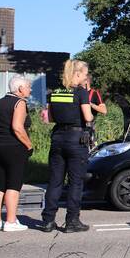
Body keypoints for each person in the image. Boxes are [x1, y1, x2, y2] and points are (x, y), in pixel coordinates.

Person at [38, 59, 94, 233]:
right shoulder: (81, 92)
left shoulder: (54, 92)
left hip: (58, 137)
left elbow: (51, 118)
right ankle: (72, 221)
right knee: (75, 182)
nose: (86, 78)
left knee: (55, 181)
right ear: (77, 74)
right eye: (85, 74)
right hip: (76, 139)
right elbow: (88, 117)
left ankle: (48, 220)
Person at [0, 76, 34, 232]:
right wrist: (29, 145)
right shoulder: (19, 103)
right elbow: (17, 127)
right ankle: (11, 221)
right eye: (28, 86)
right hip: (14, 148)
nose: (30, 89)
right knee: (14, 184)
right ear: (20, 89)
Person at [83, 73, 107, 148]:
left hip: (89, 126)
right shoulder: (77, 92)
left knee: (92, 148)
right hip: (77, 126)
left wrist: (91, 105)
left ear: (87, 81)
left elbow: (104, 110)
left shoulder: (95, 93)